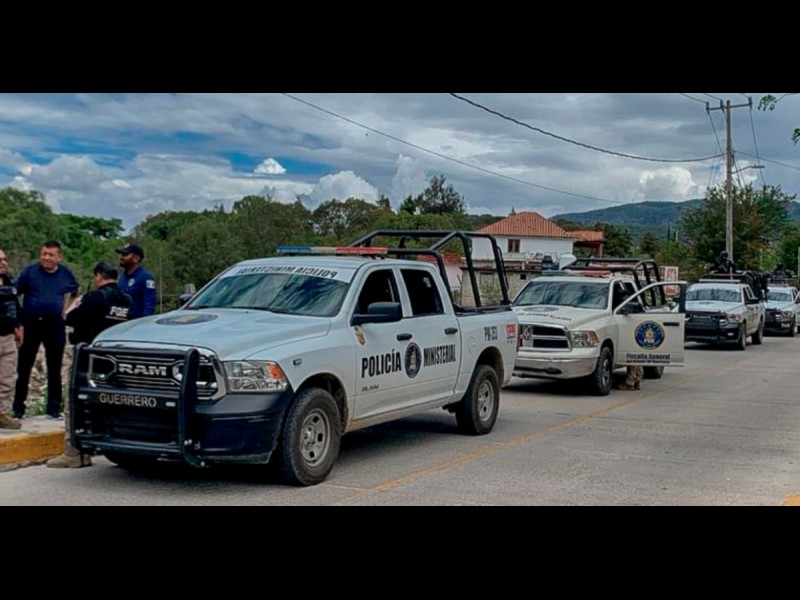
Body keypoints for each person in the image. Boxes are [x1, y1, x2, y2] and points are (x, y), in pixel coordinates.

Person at [47, 260, 133, 468]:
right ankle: (92, 447)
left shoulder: (96, 296)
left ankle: (73, 452)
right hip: (113, 360)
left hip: (86, 358)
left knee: (75, 402)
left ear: (98, 276)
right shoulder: (126, 299)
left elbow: (72, 318)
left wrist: (76, 304)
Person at [12, 241, 79, 420]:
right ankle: (18, 408)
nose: (46, 258)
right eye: (44, 254)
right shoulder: (30, 272)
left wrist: (65, 310)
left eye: (51, 255)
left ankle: (53, 408)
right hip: (31, 322)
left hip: (54, 323)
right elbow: (15, 294)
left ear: (59, 257)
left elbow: (74, 291)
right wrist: (18, 322)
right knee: (24, 367)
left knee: (54, 367)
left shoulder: (65, 274)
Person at [0, 249, 23, 429]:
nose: (3, 263)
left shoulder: (10, 283)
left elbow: (15, 307)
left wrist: (19, 326)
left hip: (8, 336)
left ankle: (2, 413)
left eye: (5, 259)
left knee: (7, 378)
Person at [116, 243, 157, 319]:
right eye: (121, 254)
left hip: (137, 322)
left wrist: (143, 323)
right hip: (122, 322)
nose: (121, 257)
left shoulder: (146, 278)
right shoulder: (122, 277)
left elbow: (149, 306)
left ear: (136, 258)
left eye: (125, 255)